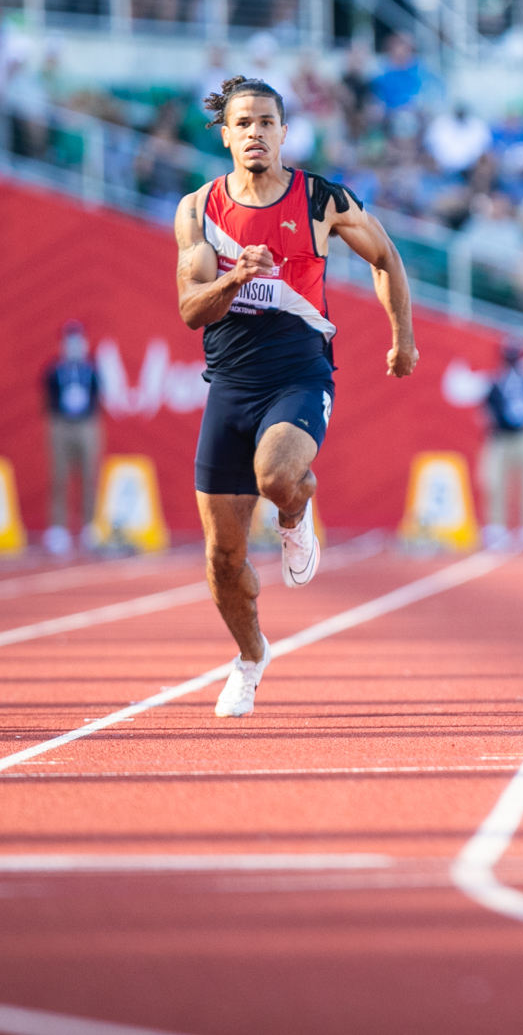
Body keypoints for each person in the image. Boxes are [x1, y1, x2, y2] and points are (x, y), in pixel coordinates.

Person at [174, 76, 418, 718]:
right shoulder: (198, 209)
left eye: (266, 122)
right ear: (225, 135)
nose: (254, 133)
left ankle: (294, 511)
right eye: (242, 123)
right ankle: (249, 659)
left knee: (278, 474)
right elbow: (189, 310)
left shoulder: (320, 198)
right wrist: (234, 278)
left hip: (300, 374)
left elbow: (385, 256)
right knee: (222, 557)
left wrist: (403, 339)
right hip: (229, 384)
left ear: (285, 132)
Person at [479, 338, 523, 549]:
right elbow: (486, 410)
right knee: (495, 483)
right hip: (500, 439)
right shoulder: (496, 381)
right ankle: (496, 527)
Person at [42, 319, 102, 554]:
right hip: (61, 424)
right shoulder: (54, 369)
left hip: (87, 424)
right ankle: (58, 528)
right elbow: (48, 396)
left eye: (78, 340)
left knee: (89, 475)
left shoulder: (91, 369)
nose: (74, 345)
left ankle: (89, 525)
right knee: (59, 475)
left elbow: (99, 394)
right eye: (70, 340)